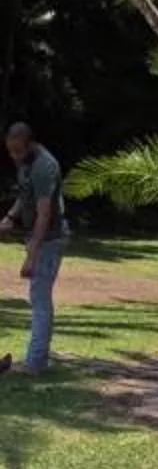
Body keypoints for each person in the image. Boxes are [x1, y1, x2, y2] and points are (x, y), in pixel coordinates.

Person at [4, 122, 69, 377]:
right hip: (38, 236)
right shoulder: (27, 164)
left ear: (30, 143)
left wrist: (32, 255)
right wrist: (10, 217)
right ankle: (36, 358)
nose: (14, 157)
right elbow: (25, 195)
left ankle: (35, 363)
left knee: (40, 301)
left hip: (49, 239)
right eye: (10, 151)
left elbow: (44, 214)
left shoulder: (44, 166)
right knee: (37, 299)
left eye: (18, 151)